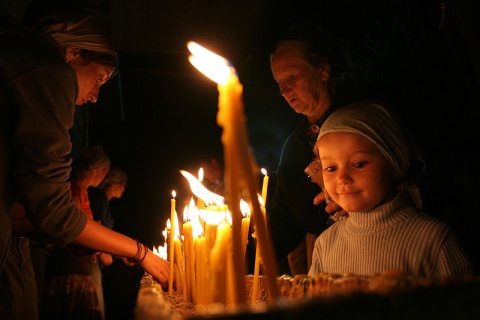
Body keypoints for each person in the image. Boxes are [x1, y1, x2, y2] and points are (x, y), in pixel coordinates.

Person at [0, 10, 169, 319]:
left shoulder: (17, 63)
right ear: (73, 52)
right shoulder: (49, 71)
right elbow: (55, 213)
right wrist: (139, 251)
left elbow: (19, 211)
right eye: (99, 78)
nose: (94, 97)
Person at [308, 100, 474, 278]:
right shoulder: (326, 244)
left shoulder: (432, 239)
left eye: (359, 164)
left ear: (394, 161)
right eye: (331, 168)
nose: (342, 178)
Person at [267, 24, 355, 275]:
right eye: (279, 83)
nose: (284, 90)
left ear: (324, 70)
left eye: (291, 77)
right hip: (334, 264)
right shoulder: (295, 148)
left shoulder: (366, 117)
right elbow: (284, 221)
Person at [42, 145, 110, 319]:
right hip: (72, 266)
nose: (105, 177)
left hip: (77, 264)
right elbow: (74, 228)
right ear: (98, 170)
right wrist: (101, 250)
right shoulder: (74, 190)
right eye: (105, 171)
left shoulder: (81, 191)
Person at [88, 166, 129, 320]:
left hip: (95, 261)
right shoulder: (99, 198)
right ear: (116, 183)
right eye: (124, 185)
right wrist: (103, 252)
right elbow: (96, 233)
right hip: (92, 262)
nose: (124, 189)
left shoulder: (102, 200)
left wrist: (122, 255)